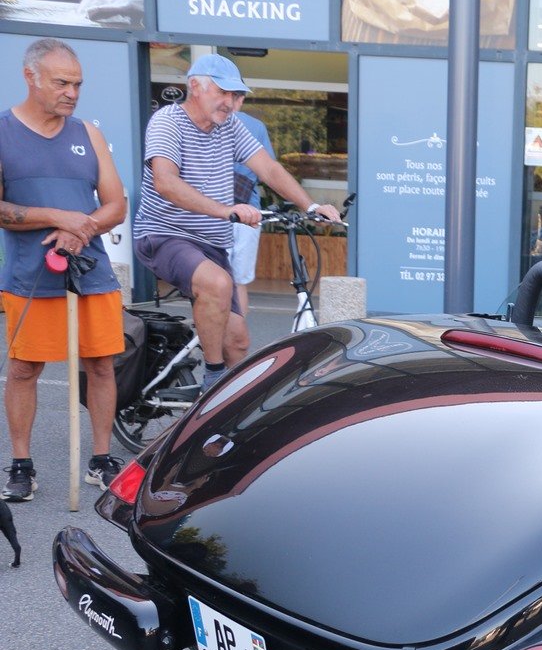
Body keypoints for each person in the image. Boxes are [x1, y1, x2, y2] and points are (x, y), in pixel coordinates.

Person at [133, 54, 340, 391]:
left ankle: (233, 410)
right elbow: (165, 183)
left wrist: (312, 205)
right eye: (222, 92)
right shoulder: (168, 121)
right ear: (195, 86)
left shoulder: (229, 126)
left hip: (211, 243)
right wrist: (225, 210)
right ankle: (213, 381)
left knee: (239, 341)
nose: (229, 102)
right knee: (216, 283)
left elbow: (268, 168)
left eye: (235, 95)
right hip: (165, 235)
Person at [0, 38, 128, 502]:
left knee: (102, 365)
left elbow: (116, 204)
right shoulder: (3, 132)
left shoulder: (87, 133)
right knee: (23, 368)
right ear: (30, 77)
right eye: (61, 83)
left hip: (90, 270)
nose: (72, 93)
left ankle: (101, 459)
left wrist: (82, 226)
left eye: (77, 84)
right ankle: (21, 465)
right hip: (30, 276)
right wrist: (58, 217)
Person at [227, 105, 274, 325]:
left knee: (211, 280)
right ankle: (237, 333)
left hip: (210, 210)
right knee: (239, 282)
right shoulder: (256, 126)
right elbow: (267, 170)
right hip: (248, 211)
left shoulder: (202, 121)